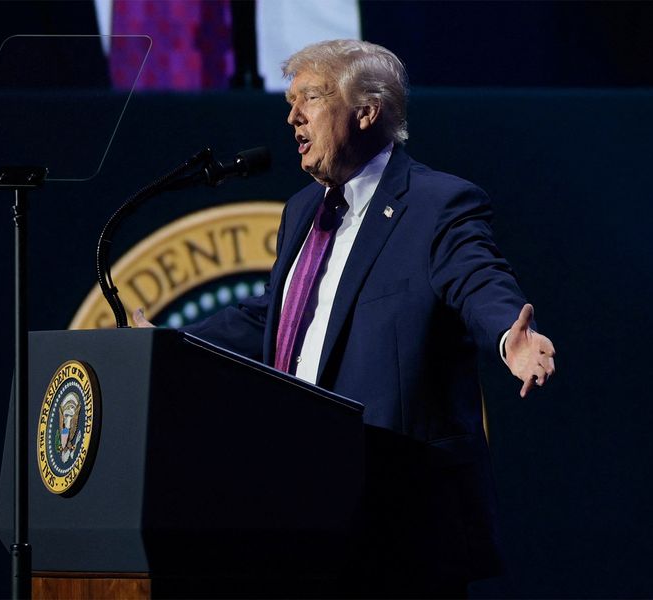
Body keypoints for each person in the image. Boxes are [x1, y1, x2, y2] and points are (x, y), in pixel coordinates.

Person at [135, 39, 555, 598]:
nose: (293, 117)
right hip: (298, 508)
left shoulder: (437, 203)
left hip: (399, 521)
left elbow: (477, 277)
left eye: (311, 98)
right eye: (290, 102)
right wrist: (169, 344)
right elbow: (272, 316)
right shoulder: (302, 210)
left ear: (366, 111)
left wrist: (509, 334)